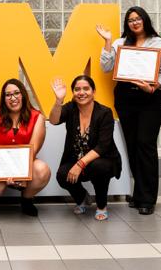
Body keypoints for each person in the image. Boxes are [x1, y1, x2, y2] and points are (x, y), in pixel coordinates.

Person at [98, 7, 161, 215]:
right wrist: (108, 42)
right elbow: (106, 67)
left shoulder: (158, 43)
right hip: (126, 98)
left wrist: (154, 87)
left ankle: (147, 198)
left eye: (138, 19)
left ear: (145, 20)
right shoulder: (120, 43)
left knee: (146, 145)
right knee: (132, 145)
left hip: (150, 98)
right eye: (130, 20)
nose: (135, 23)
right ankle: (139, 193)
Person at [0, 78, 52, 216]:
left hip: (23, 162)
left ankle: (27, 200)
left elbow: (34, 147)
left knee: (43, 170)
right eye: (8, 95)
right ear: (3, 98)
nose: (13, 98)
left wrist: (19, 172)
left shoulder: (37, 117)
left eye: (16, 93)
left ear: (23, 95)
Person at [48, 76, 120, 220]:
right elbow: (54, 120)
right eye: (77, 89)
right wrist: (58, 101)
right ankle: (82, 198)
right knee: (62, 175)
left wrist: (80, 164)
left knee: (98, 167)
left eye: (86, 89)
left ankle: (101, 206)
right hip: (76, 157)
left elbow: (103, 146)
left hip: (102, 159)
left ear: (93, 91)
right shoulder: (71, 108)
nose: (81, 92)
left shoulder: (104, 112)